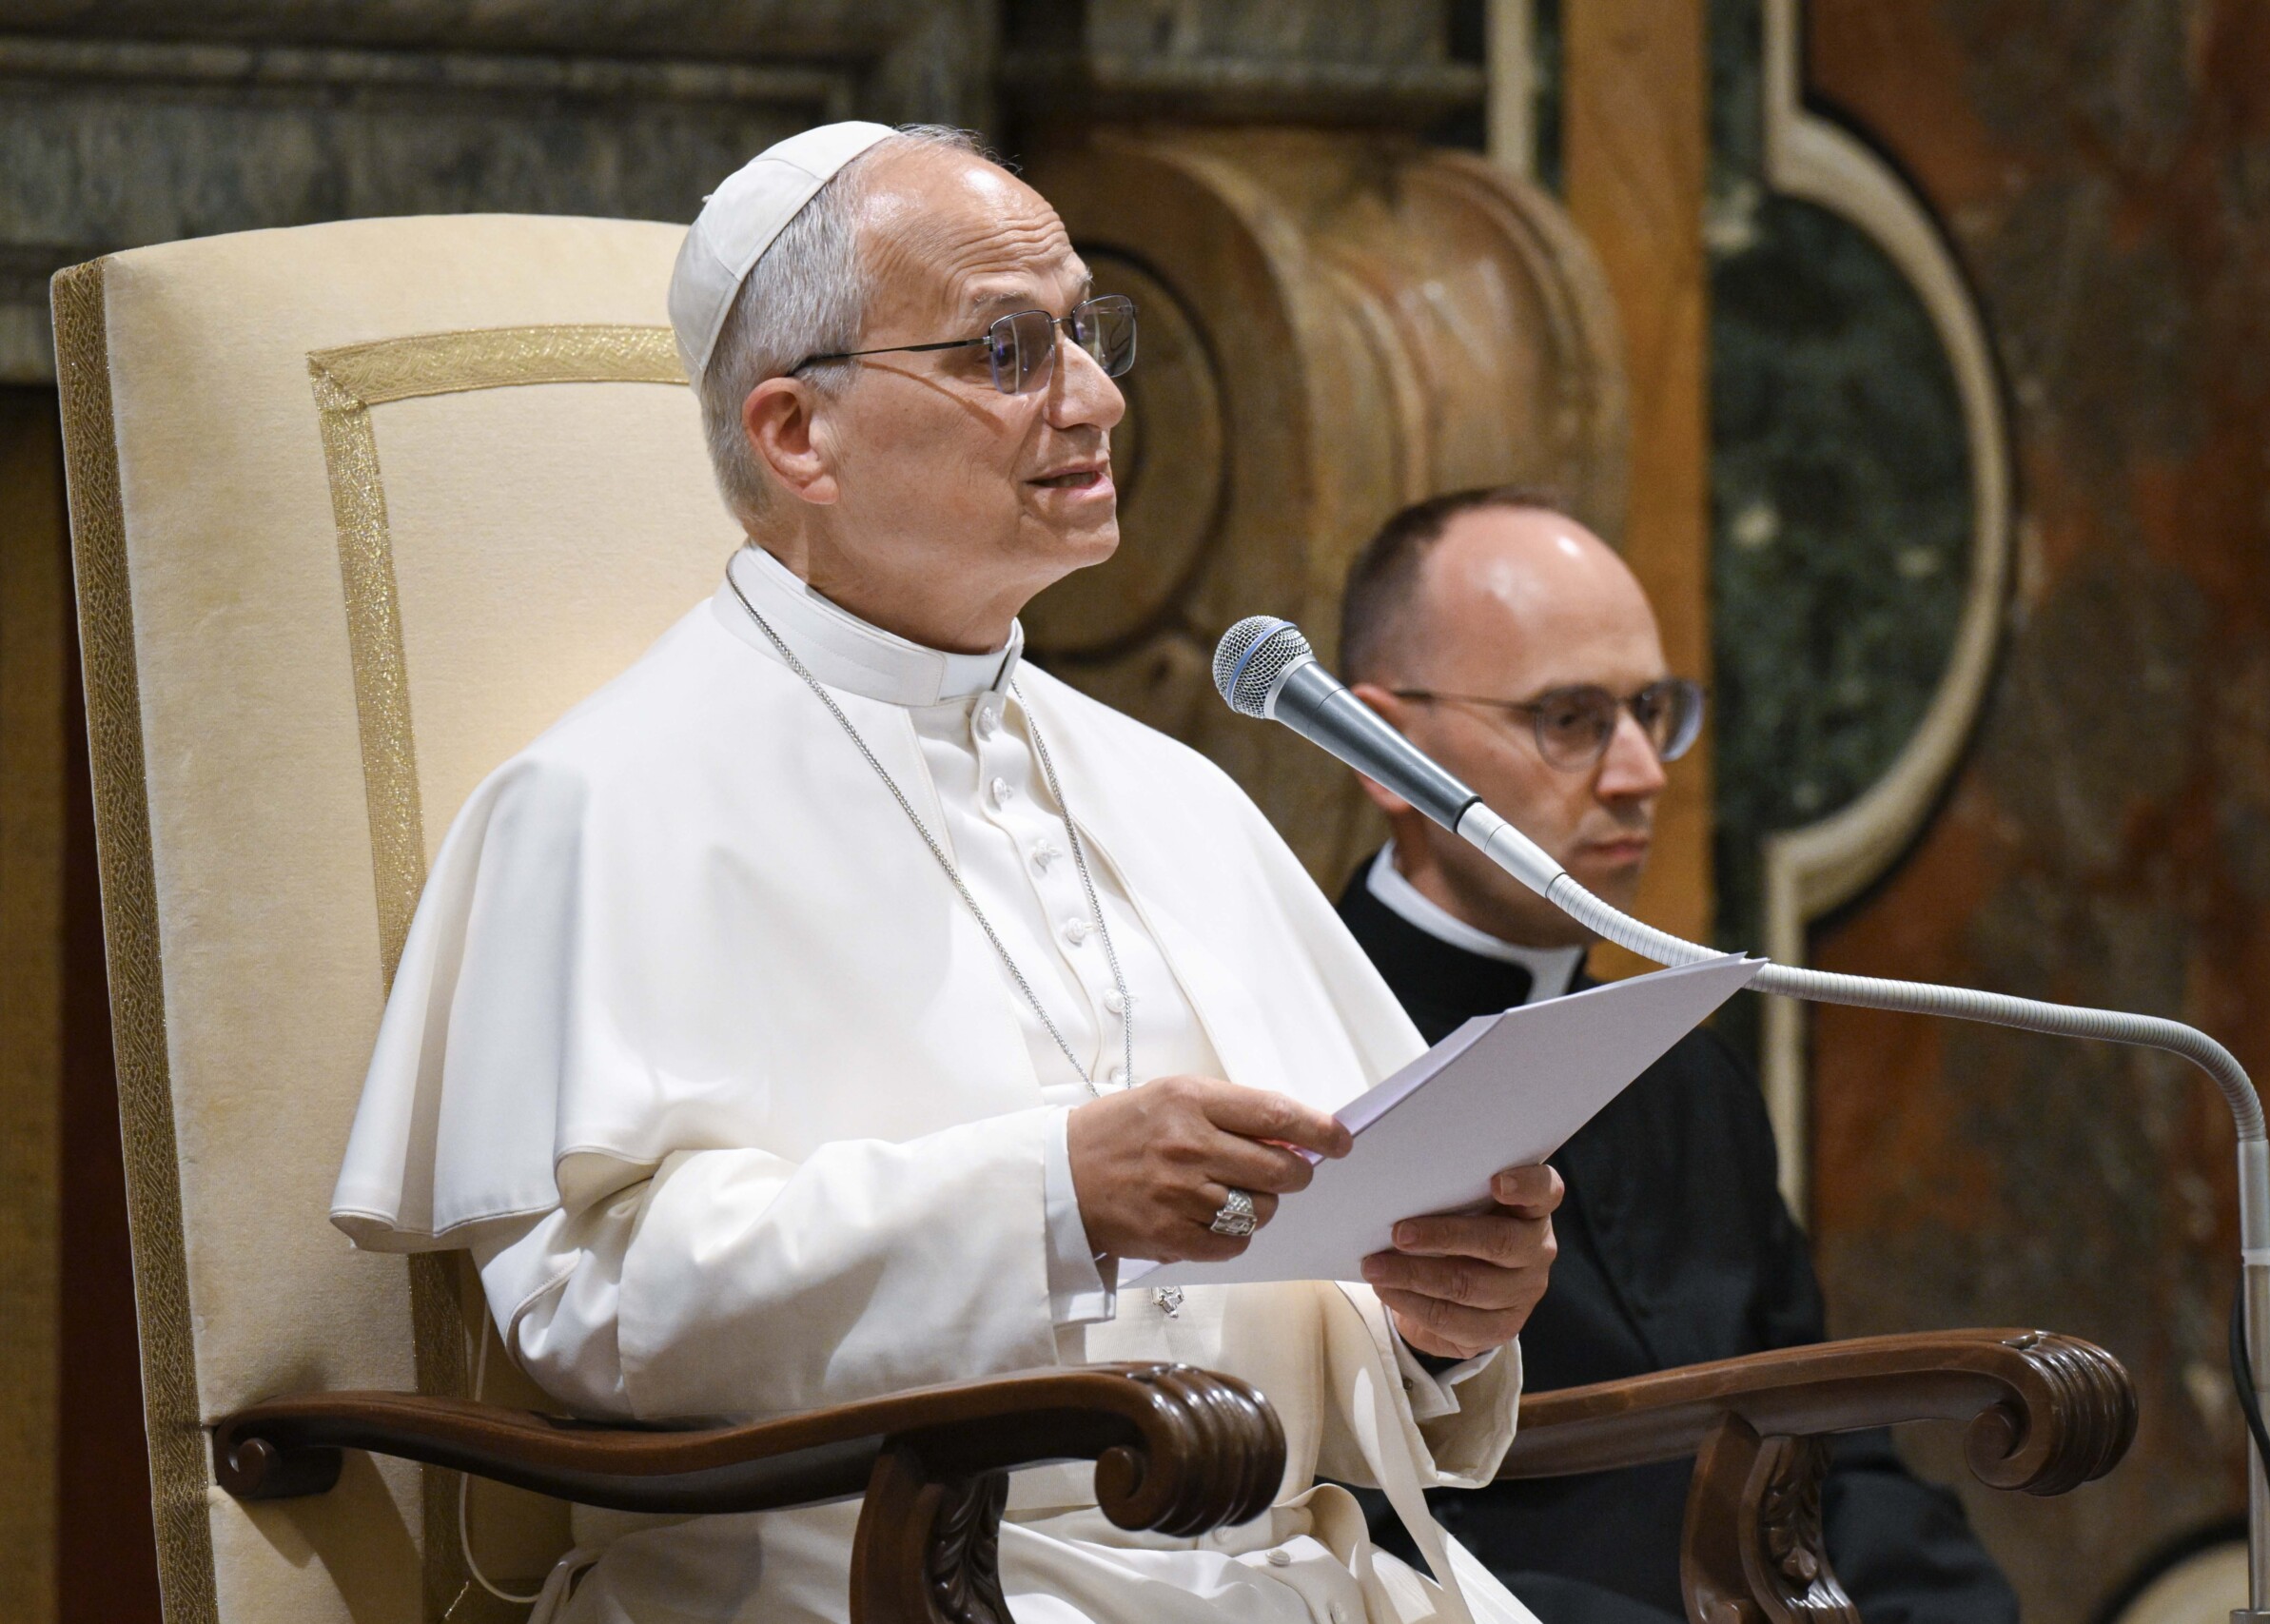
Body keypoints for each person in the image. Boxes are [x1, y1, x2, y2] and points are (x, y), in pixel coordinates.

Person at [328, 126, 1565, 1624]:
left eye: (1086, 333)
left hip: (1278, 1572)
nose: (1099, 397)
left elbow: (1334, 1261)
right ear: (799, 435)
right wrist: (1051, 1192)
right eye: (1006, 348)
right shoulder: (601, 800)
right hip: (858, 1583)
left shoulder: (1172, 790)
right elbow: (596, 1308)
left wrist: (1437, 1314)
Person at [1332, 488, 2019, 1624]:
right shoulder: (1283, 1040)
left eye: (1651, 709)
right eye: (1569, 719)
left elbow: (1831, 1448)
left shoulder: (1689, 1080)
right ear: (1387, 751)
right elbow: (1338, 1510)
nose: (1641, 772)